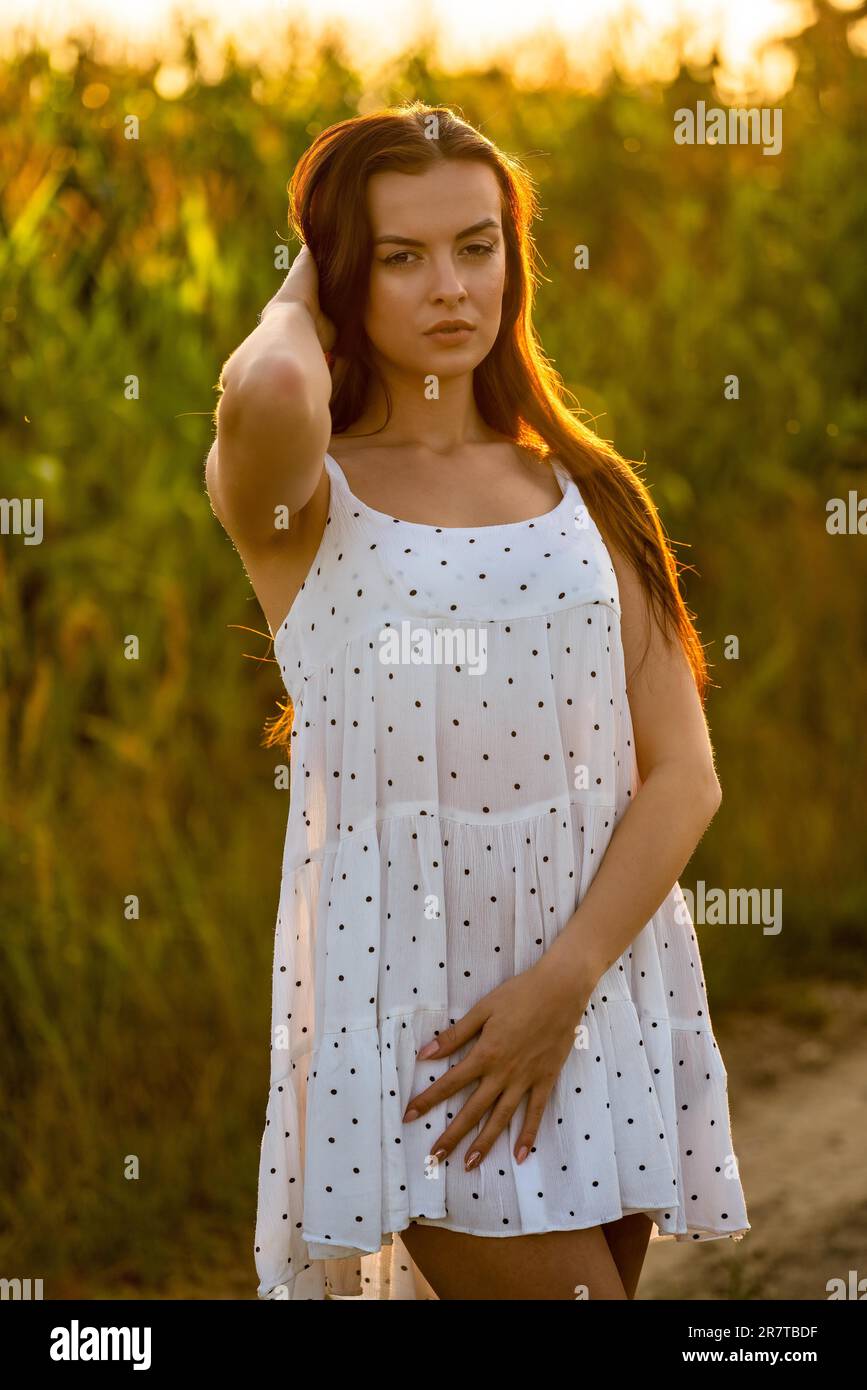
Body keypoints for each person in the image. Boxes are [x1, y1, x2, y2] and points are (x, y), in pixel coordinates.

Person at [205, 102, 749, 1301]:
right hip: (423, 1034)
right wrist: (309, 274)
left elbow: (685, 772)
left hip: (600, 989)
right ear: (341, 274)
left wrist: (562, 991)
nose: (451, 286)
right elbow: (262, 390)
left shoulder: (587, 487)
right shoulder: (304, 494)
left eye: (478, 244)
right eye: (399, 257)